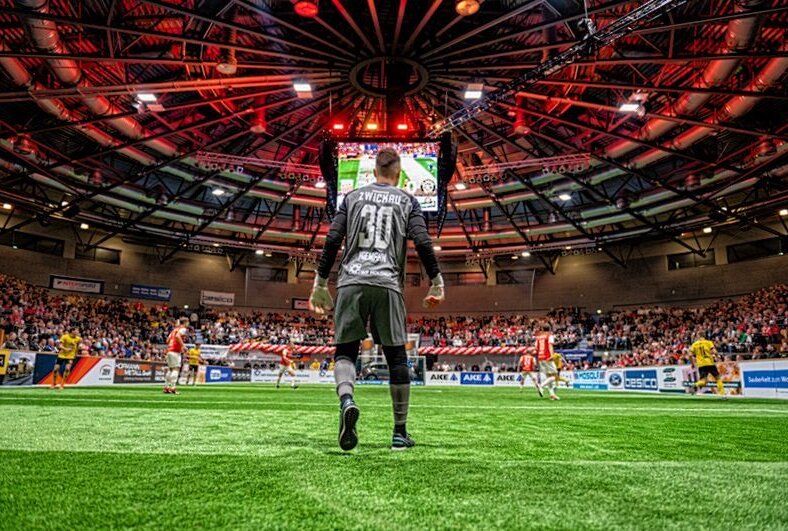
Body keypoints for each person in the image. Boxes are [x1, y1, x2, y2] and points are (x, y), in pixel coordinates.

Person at [309, 147, 444, 452]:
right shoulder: (408, 200)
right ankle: (399, 433)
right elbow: (422, 241)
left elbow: (332, 240)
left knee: (345, 352)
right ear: (399, 175)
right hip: (387, 284)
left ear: (372, 172)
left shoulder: (352, 197)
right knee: (396, 357)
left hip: (351, 282)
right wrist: (436, 282)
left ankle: (347, 400)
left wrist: (319, 282)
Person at [690, 333, 726, 398]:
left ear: (699, 336)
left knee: (703, 381)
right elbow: (714, 351)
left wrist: (692, 363)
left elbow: (690, 355)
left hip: (701, 364)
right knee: (717, 378)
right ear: (704, 337)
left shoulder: (694, 344)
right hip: (710, 363)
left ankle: (695, 384)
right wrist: (718, 356)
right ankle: (723, 395)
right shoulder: (708, 342)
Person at [164, 318, 189, 395]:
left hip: (169, 350)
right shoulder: (183, 329)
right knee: (176, 369)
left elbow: (167, 340)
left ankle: (166, 387)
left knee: (170, 369)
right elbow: (178, 336)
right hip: (175, 351)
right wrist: (183, 346)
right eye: (188, 322)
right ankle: (173, 388)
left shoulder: (173, 330)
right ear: (185, 322)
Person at [535, 324, 560, 400]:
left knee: (549, 377)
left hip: (540, 357)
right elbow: (550, 345)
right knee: (555, 376)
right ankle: (541, 386)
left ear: (542, 329)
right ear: (549, 329)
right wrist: (552, 355)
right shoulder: (549, 335)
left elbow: (536, 348)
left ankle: (552, 395)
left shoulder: (538, 337)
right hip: (547, 357)